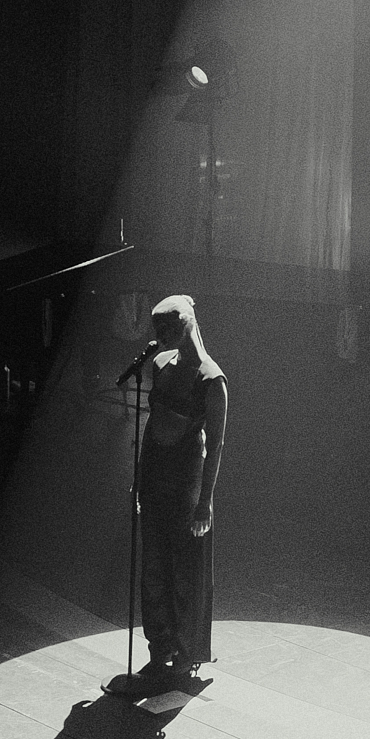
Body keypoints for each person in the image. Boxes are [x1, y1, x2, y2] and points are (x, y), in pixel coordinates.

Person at [132, 293, 227, 688]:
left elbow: (217, 443)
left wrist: (205, 501)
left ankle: (186, 658)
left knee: (185, 574)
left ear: (185, 323)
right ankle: (161, 650)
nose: (160, 335)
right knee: (153, 569)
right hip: (156, 478)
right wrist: (139, 477)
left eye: (166, 327)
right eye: (157, 328)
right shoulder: (158, 364)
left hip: (187, 483)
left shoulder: (211, 377)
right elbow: (152, 429)